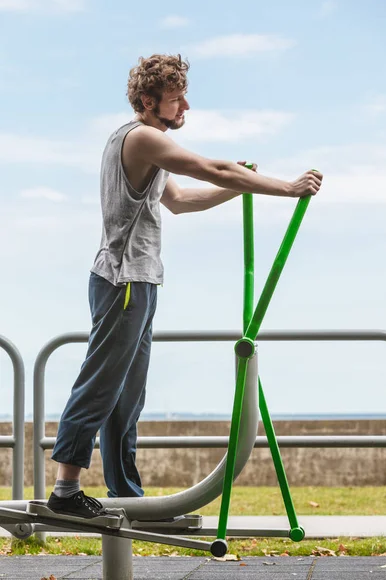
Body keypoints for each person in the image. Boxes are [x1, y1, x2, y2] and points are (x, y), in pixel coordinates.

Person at [46, 54, 323, 519]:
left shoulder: (147, 146)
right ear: (149, 102)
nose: (185, 107)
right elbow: (211, 168)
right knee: (102, 385)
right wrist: (286, 187)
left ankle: (126, 497)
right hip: (124, 281)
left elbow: (179, 200)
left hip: (140, 281)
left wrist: (242, 187)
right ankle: (65, 490)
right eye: (177, 100)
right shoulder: (141, 138)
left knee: (126, 397)